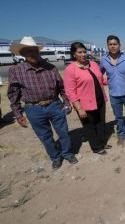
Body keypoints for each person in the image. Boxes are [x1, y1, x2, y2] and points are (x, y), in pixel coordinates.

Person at [7, 36, 78, 169]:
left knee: (63, 133)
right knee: (45, 136)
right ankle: (55, 157)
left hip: (55, 105)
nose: (33, 54)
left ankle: (67, 153)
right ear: (23, 54)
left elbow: (62, 88)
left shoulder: (50, 67)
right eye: (29, 51)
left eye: (35, 51)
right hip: (33, 109)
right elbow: (13, 94)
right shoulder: (16, 71)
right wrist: (18, 114)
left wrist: (67, 102)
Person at [64, 42, 110, 155]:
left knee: (100, 123)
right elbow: (70, 91)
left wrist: (113, 80)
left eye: (84, 51)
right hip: (85, 104)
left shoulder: (93, 64)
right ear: (74, 54)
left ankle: (102, 142)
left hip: (99, 100)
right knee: (89, 126)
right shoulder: (71, 69)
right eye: (80, 52)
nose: (83, 54)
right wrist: (79, 108)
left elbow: (100, 79)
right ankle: (96, 147)